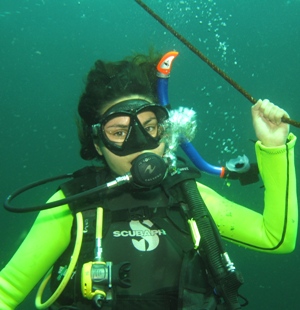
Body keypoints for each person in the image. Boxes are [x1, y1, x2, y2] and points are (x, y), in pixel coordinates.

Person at [0, 52, 298, 310]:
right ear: (97, 145)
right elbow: (7, 290)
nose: (140, 144)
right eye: (118, 132)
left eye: (150, 126)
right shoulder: (74, 204)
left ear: (164, 130)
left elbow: (277, 238)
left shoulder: (190, 197)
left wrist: (274, 148)